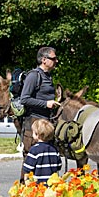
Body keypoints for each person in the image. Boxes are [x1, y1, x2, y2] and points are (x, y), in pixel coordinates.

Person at [19, 46, 61, 182]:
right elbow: (24, 99)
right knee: (30, 163)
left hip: (46, 122)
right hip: (34, 123)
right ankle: (24, 194)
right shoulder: (33, 76)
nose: (56, 61)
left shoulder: (48, 76)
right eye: (53, 58)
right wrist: (46, 104)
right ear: (44, 60)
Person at [22, 119, 62, 184]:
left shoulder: (34, 150)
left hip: (38, 185)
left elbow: (28, 168)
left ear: (37, 134)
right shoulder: (54, 149)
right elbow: (59, 165)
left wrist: (26, 180)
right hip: (52, 184)